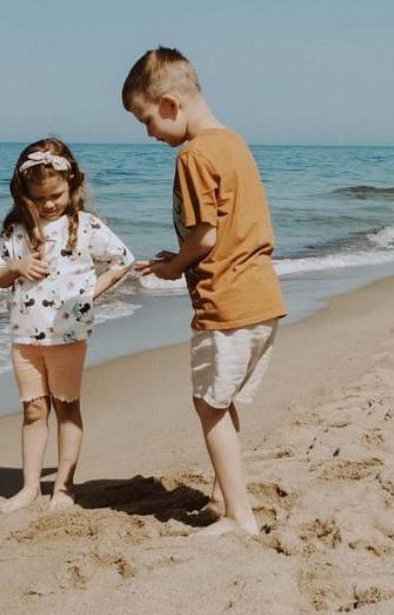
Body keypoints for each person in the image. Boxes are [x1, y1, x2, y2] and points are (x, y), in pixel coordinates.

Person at [121, 48, 285, 537]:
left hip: (226, 302)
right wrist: (180, 257)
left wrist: (173, 267)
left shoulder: (193, 155)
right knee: (223, 398)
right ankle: (222, 494)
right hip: (263, 299)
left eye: (147, 120)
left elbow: (206, 237)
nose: (149, 134)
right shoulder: (233, 143)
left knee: (209, 405)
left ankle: (239, 515)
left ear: (170, 105)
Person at [0, 138, 135, 514]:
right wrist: (17, 267)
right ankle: (29, 488)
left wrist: (91, 292)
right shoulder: (16, 229)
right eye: (39, 198)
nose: (49, 203)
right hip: (24, 336)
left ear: (72, 186)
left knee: (67, 408)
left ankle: (64, 488)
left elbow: (123, 260)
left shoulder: (84, 225)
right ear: (25, 194)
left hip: (68, 336)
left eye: (56, 194)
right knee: (33, 412)